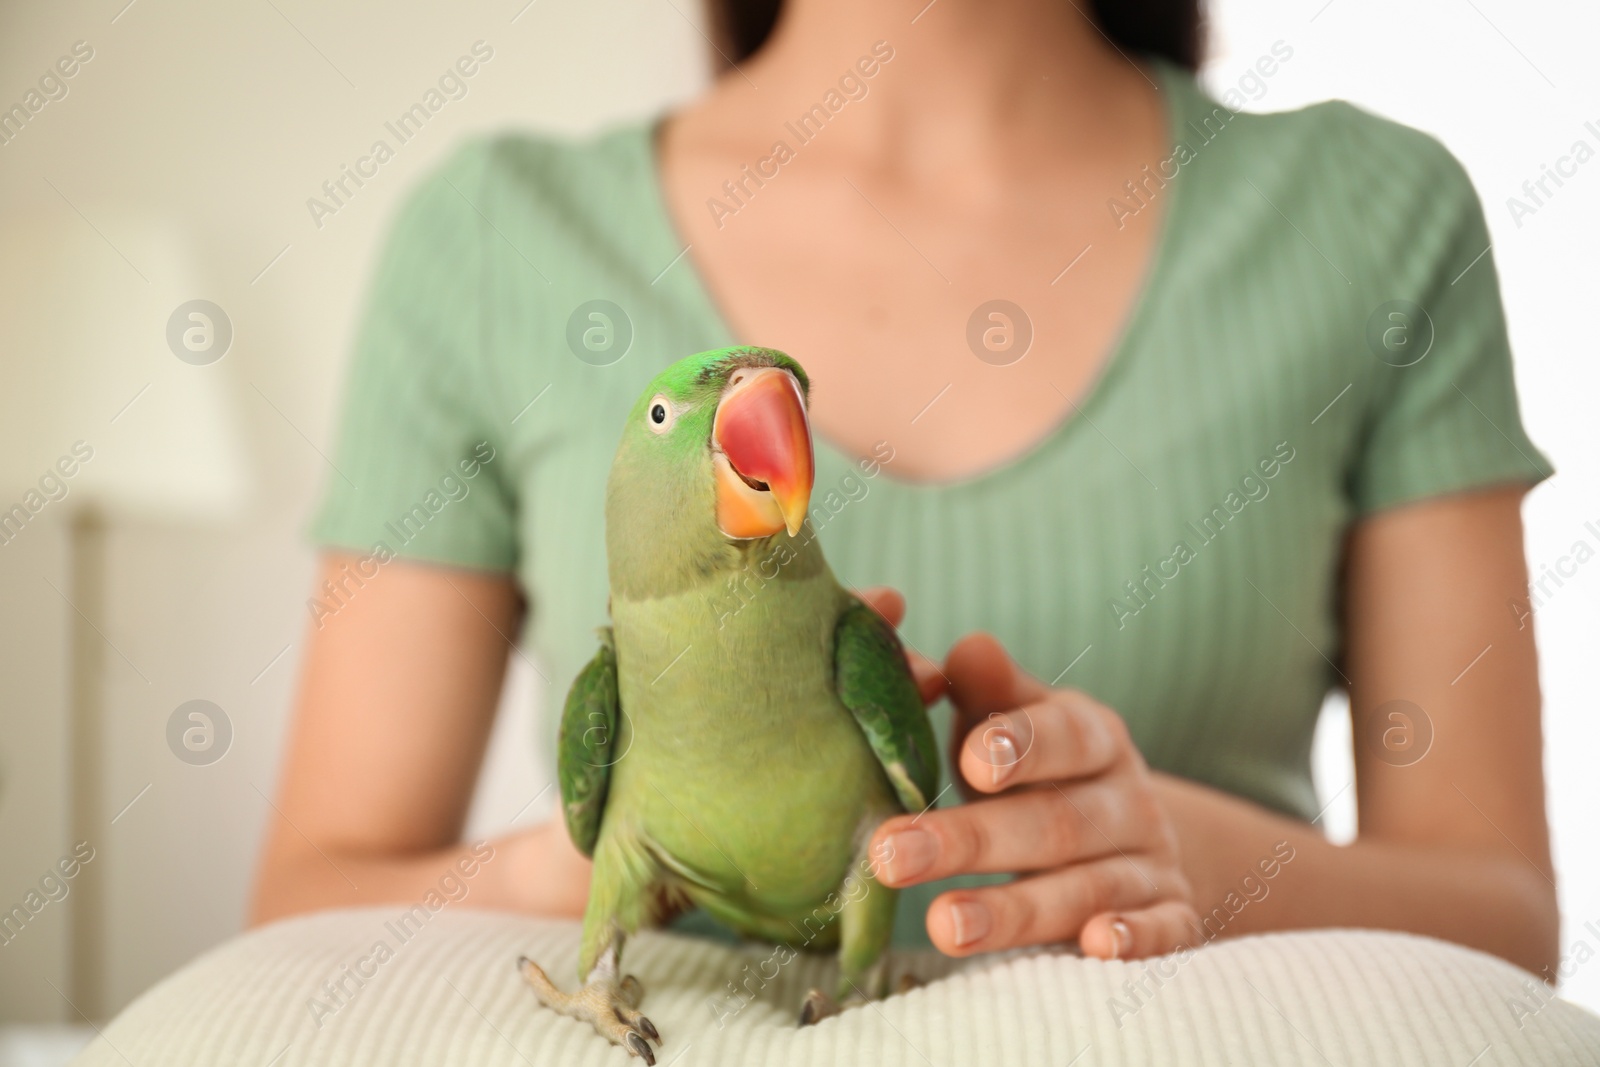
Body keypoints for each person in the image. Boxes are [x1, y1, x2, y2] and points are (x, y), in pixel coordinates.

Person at [251, 0, 1558, 977]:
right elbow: (306, 908)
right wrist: (605, 844)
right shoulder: (487, 238)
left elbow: (1504, 920)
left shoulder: (1373, 216)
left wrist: (1200, 861)